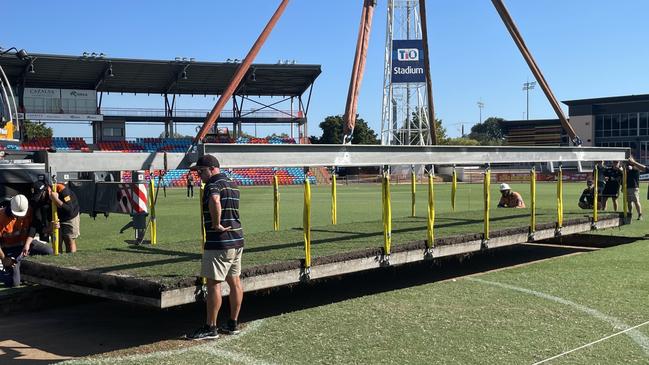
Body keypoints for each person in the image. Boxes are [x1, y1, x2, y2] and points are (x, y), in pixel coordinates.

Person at [187, 155, 244, 340]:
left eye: (201, 171)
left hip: (219, 242)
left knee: (213, 284)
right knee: (235, 282)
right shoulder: (233, 184)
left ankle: (210, 327)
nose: (200, 176)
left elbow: (215, 200)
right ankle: (233, 323)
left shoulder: (212, 184)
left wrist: (216, 223)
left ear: (211, 168)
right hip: (237, 239)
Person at [0, 194, 53, 287]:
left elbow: (34, 228)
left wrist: (27, 244)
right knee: (14, 282)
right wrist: (4, 259)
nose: (19, 217)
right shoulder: (1, 217)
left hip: (25, 244)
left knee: (49, 251)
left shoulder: (29, 210)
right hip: (10, 250)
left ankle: (26, 272)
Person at [31, 179, 81, 253]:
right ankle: (58, 259)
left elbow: (69, 210)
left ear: (47, 190)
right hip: (55, 218)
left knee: (69, 240)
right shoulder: (39, 200)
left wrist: (56, 200)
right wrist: (49, 227)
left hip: (70, 217)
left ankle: (71, 259)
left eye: (40, 195)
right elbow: (37, 220)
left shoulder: (62, 190)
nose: (39, 198)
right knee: (57, 241)